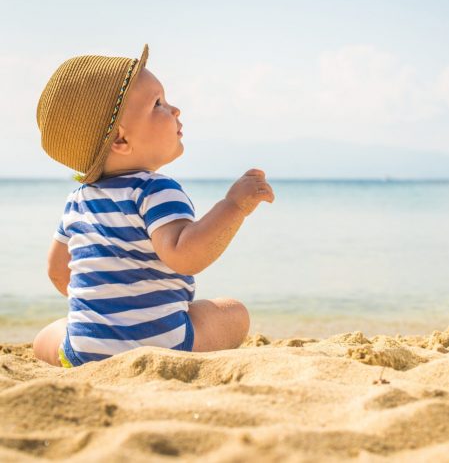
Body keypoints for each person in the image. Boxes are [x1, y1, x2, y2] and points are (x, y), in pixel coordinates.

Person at [32, 44, 275, 367]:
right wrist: (234, 206)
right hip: (164, 345)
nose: (175, 110)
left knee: (46, 337)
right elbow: (185, 255)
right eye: (158, 104)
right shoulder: (155, 189)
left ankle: (81, 347)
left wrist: (108, 309)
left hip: (87, 351)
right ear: (121, 140)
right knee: (233, 312)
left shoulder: (78, 200)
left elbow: (58, 271)